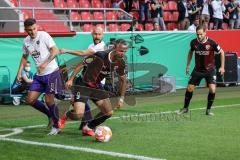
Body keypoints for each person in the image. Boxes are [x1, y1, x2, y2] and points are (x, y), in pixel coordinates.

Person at [60, 39, 128, 136]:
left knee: (108, 113)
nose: (123, 53)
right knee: (78, 114)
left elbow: (123, 80)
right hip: (83, 84)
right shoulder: (100, 55)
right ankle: (66, 115)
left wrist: (121, 98)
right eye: (121, 50)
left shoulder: (121, 62)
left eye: (125, 51)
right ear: (114, 48)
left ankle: (88, 127)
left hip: (96, 86)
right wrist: (70, 79)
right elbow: (81, 64)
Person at [16, 18, 63, 135]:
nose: (32, 32)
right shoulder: (26, 41)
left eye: (34, 29)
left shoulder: (44, 36)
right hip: (39, 75)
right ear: (26, 30)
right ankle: (50, 116)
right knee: (30, 100)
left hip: (52, 72)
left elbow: (55, 50)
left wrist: (45, 64)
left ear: (37, 26)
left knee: (49, 100)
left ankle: (57, 126)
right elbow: (24, 57)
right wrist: (19, 72)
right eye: (29, 30)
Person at [59, 26, 106, 131]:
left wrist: (66, 50)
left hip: (98, 84)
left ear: (103, 35)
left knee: (106, 110)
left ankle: (87, 125)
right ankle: (85, 125)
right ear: (91, 34)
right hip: (85, 82)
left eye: (99, 34)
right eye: (95, 34)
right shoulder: (91, 46)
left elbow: (84, 53)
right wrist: (71, 77)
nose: (97, 36)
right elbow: (83, 62)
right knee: (79, 110)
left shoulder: (101, 47)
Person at [177, 25, 225, 116]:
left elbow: (222, 52)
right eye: (197, 34)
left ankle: (208, 110)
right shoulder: (193, 42)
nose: (199, 36)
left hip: (210, 70)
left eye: (201, 34)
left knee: (212, 89)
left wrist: (222, 67)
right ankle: (185, 108)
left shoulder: (212, 43)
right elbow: (190, 52)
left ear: (205, 33)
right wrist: (187, 65)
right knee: (189, 88)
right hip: (198, 70)